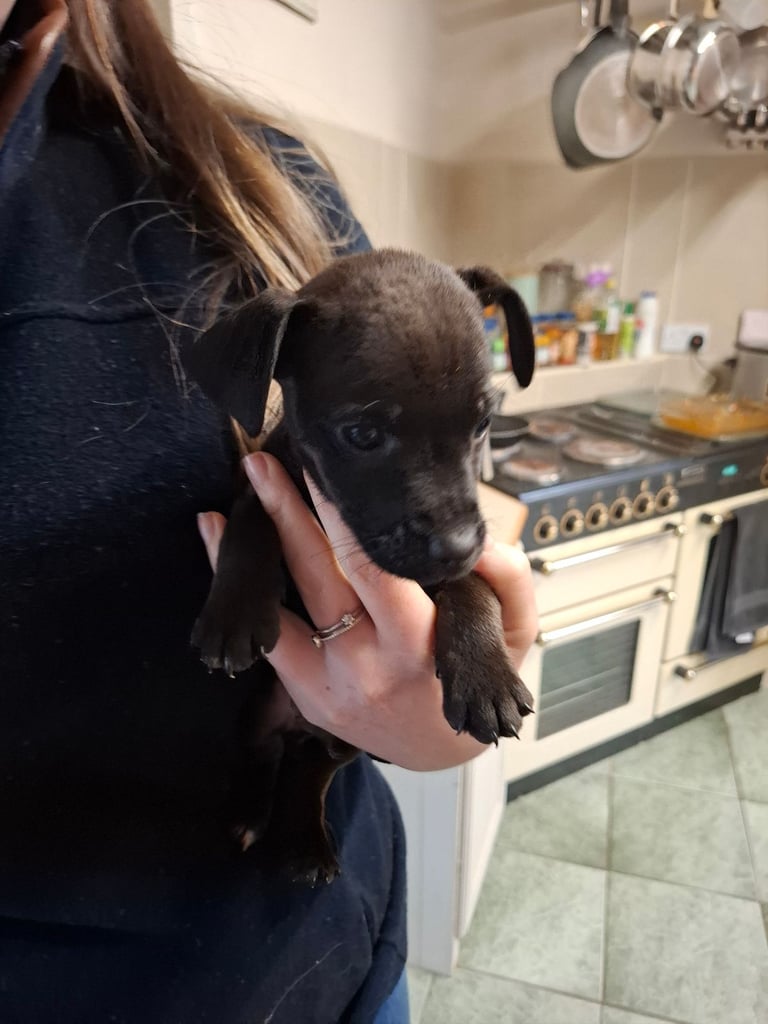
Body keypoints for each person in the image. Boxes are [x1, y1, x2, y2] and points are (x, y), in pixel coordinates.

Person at [0, 1, 538, 1021]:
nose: (451, 504)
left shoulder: (257, 183)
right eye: (373, 436)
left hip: (324, 965)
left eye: (473, 433)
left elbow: (447, 581)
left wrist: (431, 717)